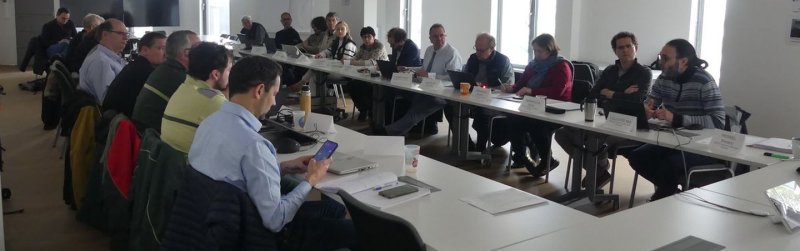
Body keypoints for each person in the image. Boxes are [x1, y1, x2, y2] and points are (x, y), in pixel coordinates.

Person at [189, 56, 357, 250]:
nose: (274, 101)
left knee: (332, 208)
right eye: (275, 93)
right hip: (259, 236)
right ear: (260, 90)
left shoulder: (208, 124)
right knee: (358, 232)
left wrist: (284, 167)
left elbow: (235, 177)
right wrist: (310, 180)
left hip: (217, 225)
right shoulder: (254, 145)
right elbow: (275, 220)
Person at [628, 38, 724, 201]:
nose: (660, 63)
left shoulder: (704, 81)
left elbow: (718, 122)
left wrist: (677, 118)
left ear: (684, 61)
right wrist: (646, 109)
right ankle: (669, 192)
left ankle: (664, 196)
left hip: (702, 146)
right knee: (637, 157)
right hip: (672, 140)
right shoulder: (664, 78)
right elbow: (651, 102)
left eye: (666, 59)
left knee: (668, 164)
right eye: (660, 57)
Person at [554, 32, 652, 189]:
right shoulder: (610, 71)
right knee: (561, 133)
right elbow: (593, 94)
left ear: (636, 48)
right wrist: (622, 93)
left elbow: (637, 100)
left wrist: (610, 93)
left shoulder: (644, 73)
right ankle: (599, 171)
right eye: (620, 47)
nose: (625, 50)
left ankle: (596, 175)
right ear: (615, 51)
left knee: (596, 138)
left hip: (629, 125)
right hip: (604, 119)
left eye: (629, 46)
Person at [502, 34, 572, 176]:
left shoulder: (561, 66)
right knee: (513, 118)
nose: (536, 54)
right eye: (534, 50)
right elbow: (521, 84)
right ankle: (522, 155)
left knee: (536, 124)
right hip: (534, 106)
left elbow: (558, 92)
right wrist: (511, 88)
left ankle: (547, 160)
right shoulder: (533, 65)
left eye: (539, 51)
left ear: (549, 50)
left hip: (556, 108)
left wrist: (532, 90)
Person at [383, 24, 459, 136]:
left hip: (442, 93)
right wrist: (408, 68)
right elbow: (423, 69)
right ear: (430, 38)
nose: (439, 39)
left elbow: (452, 78)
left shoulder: (452, 53)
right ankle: (405, 129)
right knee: (409, 101)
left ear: (445, 35)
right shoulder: (429, 50)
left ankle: (391, 131)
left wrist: (430, 75)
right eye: (435, 36)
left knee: (416, 110)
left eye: (441, 35)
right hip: (426, 87)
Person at [161, 42, 232, 154]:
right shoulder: (213, 100)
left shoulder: (184, 87)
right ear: (216, 74)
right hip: (189, 166)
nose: (230, 75)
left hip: (171, 163)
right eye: (228, 70)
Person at [131, 30, 200, 133]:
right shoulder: (180, 78)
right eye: (198, 48)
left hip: (147, 135)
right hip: (154, 140)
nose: (202, 52)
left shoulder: (166, 68)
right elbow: (201, 108)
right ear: (186, 53)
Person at [457, 33, 514, 152]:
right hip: (473, 97)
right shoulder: (473, 58)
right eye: (476, 49)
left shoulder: (503, 61)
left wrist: (486, 88)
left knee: (481, 111)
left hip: (494, 101)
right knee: (451, 106)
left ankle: (480, 151)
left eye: (481, 50)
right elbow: (465, 76)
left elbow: (507, 87)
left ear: (492, 48)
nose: (478, 53)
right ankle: (466, 143)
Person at [102, 32, 167, 117]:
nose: (165, 53)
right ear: (144, 50)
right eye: (161, 48)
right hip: (125, 125)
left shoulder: (137, 65)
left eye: (166, 49)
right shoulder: (144, 71)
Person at [289, 21, 357, 91]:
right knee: (315, 72)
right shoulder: (337, 41)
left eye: (342, 29)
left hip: (344, 72)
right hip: (335, 68)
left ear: (347, 30)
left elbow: (344, 62)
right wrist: (321, 55)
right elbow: (328, 51)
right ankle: (312, 96)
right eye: (338, 29)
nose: (340, 31)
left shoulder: (349, 44)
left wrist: (330, 62)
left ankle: (301, 85)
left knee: (317, 72)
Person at [77, 19, 128, 104]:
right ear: (105, 35)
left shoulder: (106, 57)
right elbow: (108, 101)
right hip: (112, 114)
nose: (126, 38)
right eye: (120, 33)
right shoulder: (101, 62)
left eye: (126, 34)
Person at [348, 26, 389, 121]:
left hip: (380, 77)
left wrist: (356, 62)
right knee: (351, 85)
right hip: (365, 75)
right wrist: (351, 61)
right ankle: (363, 109)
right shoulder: (362, 47)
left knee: (364, 87)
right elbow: (355, 58)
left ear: (374, 37)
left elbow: (373, 62)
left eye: (369, 36)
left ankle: (370, 110)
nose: (366, 39)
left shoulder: (379, 46)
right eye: (364, 37)